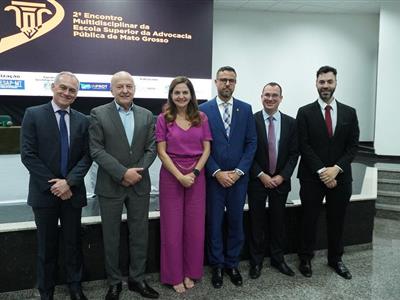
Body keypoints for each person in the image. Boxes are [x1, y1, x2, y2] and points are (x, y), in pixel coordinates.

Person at [20, 71, 91, 300]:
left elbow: (87, 156)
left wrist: (68, 182)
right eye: (63, 87)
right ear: (53, 87)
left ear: (76, 94)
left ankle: (75, 286)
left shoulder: (83, 120)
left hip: (73, 192)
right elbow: (28, 155)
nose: (67, 93)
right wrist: (55, 185)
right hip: (44, 194)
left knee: (73, 244)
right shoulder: (33, 114)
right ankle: (46, 291)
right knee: (46, 246)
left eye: (72, 90)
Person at [89, 71, 159, 299]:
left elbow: (152, 148)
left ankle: (137, 280)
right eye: (120, 86)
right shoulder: (98, 114)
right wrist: (122, 173)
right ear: (112, 90)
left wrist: (136, 172)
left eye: (129, 86)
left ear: (135, 89)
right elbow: (96, 149)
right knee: (111, 236)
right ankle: (114, 282)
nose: (125, 90)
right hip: (111, 184)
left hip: (139, 183)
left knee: (140, 234)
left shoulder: (148, 115)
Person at [296, 66, 359, 280]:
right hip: (312, 177)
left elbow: (352, 147)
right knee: (309, 219)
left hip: (341, 177)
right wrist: (323, 172)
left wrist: (336, 170)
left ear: (335, 83)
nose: (325, 86)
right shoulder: (304, 112)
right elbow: (303, 145)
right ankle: (305, 258)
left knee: (337, 220)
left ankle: (336, 259)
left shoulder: (350, 112)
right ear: (316, 83)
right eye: (322, 82)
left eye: (329, 82)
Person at [199, 66, 257, 288]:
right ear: (216, 82)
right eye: (223, 80)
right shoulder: (203, 110)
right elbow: (200, 146)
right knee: (214, 223)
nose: (227, 84)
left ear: (236, 82)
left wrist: (239, 171)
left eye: (231, 80)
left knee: (236, 222)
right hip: (213, 179)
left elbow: (251, 142)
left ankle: (232, 264)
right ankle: (216, 266)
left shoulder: (245, 109)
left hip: (238, 179)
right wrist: (215, 171)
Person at [155, 76, 212, 293]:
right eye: (177, 92)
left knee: (195, 228)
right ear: (171, 95)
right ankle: (174, 275)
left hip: (197, 176)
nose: (181, 96)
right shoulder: (163, 118)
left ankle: (190, 272)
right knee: (172, 229)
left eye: (185, 92)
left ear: (191, 95)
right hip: (171, 176)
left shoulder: (201, 117)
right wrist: (180, 176)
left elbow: (206, 149)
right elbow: (161, 151)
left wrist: (195, 172)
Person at [247, 82, 299, 279]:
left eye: (274, 95)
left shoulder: (291, 123)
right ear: (261, 96)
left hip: (280, 182)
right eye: (267, 95)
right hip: (257, 181)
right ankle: (256, 261)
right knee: (256, 222)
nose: (270, 98)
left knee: (279, 222)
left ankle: (278, 259)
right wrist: (262, 175)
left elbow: (294, 153)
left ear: (281, 98)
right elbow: (248, 152)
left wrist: (282, 176)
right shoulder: (251, 121)